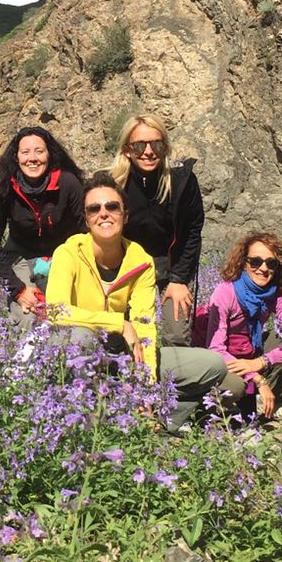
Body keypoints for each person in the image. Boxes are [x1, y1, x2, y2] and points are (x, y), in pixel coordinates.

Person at [45, 173, 226, 430]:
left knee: (212, 366)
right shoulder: (68, 253)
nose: (103, 213)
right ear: (86, 219)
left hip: (122, 355)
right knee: (80, 337)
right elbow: (56, 312)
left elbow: (144, 326)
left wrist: (146, 385)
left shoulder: (141, 262)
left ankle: (157, 419)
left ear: (125, 215)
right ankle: (89, 423)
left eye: (112, 206)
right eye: (94, 209)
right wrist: (118, 323)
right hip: (82, 354)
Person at [111, 114, 205, 350]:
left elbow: (193, 231)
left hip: (172, 266)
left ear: (165, 147)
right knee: (121, 336)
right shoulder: (114, 184)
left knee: (177, 336)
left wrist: (179, 280)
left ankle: (176, 375)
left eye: (157, 144)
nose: (149, 152)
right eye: (139, 146)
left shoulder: (182, 181)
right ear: (127, 150)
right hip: (127, 269)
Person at [0, 126, 84, 316]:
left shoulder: (68, 183)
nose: (32, 158)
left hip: (64, 258)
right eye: (25, 152)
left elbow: (87, 230)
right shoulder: (4, 187)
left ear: (49, 155)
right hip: (22, 258)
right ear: (16, 157)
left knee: (68, 314)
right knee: (28, 315)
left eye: (39, 151)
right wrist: (18, 290)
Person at [205, 231, 282, 420]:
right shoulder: (225, 292)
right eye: (256, 262)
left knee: (280, 340)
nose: (263, 268)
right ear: (244, 263)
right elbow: (215, 349)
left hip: (249, 352)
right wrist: (258, 378)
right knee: (234, 386)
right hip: (224, 357)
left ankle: (262, 402)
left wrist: (260, 362)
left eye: (271, 263)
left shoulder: (275, 295)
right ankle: (225, 406)